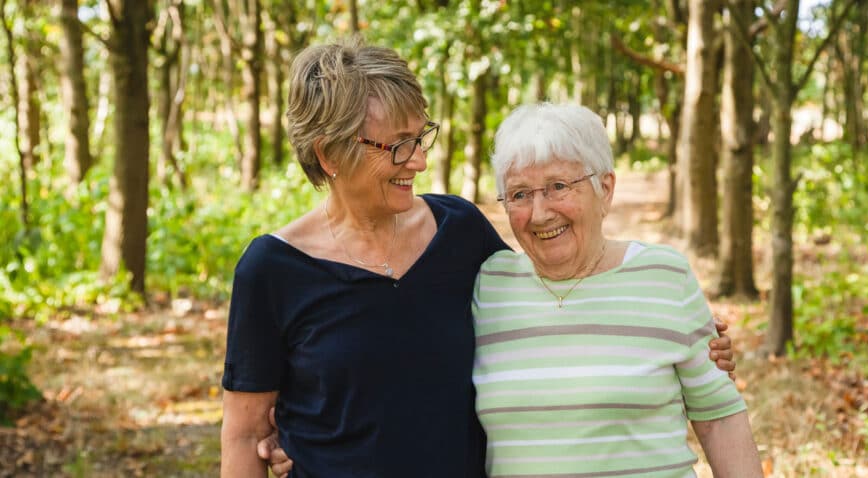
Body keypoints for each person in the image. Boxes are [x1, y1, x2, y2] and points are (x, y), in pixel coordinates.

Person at [222, 38, 738, 478]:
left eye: (420, 137)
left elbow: (552, 288)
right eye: (397, 146)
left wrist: (680, 329)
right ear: (330, 155)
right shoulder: (273, 270)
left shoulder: (459, 232)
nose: (419, 161)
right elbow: (246, 437)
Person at [472, 103, 762, 477]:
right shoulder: (489, 286)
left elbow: (720, 420)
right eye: (520, 194)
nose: (540, 212)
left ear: (604, 189)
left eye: (558, 187)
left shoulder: (663, 277)